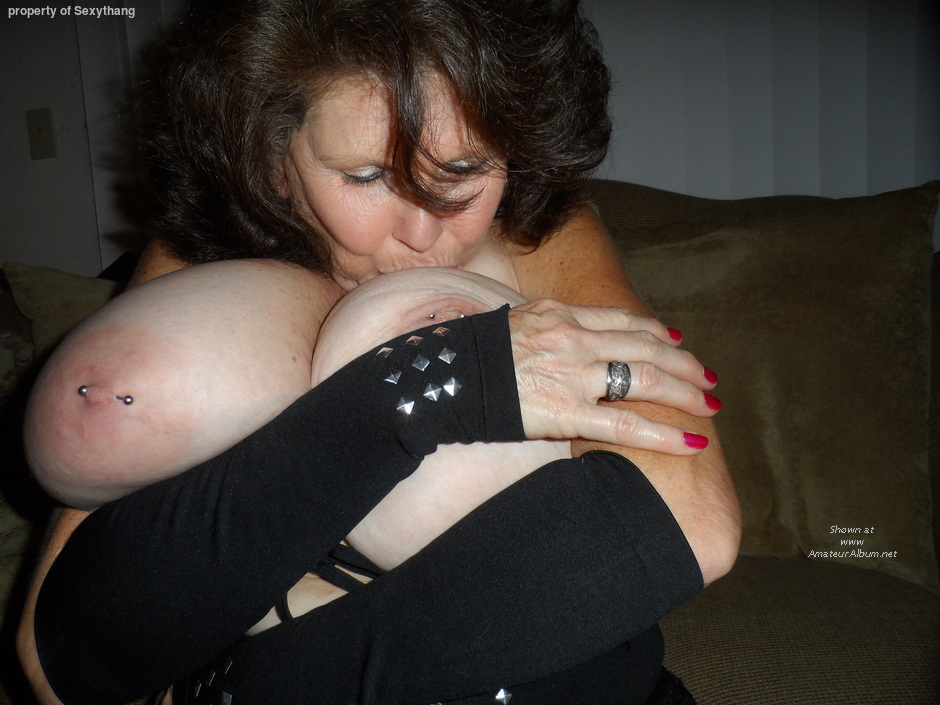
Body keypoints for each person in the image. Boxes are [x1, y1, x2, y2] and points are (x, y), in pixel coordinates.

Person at [16, 1, 741, 703]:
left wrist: (261, 685)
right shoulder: (200, 264)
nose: (423, 232)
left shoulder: (539, 235)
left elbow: (688, 521)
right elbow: (58, 665)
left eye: (465, 167)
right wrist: (432, 386)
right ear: (273, 159)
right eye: (365, 176)